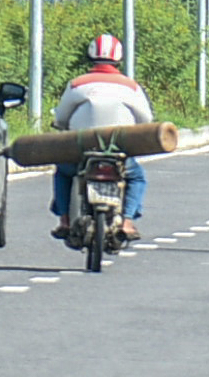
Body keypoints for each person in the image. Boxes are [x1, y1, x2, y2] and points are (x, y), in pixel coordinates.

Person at [50, 33, 153, 241]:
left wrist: (62, 126)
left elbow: (61, 117)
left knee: (63, 172)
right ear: (119, 58)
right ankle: (127, 221)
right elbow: (145, 119)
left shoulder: (78, 84)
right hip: (119, 151)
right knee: (136, 177)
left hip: (82, 150)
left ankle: (64, 220)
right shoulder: (131, 87)